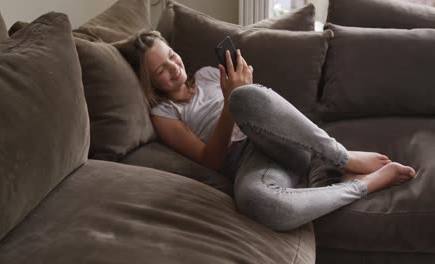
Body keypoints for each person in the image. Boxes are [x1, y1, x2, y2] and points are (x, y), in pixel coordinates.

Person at [117, 30, 416, 231]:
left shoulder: (209, 74)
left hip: (279, 138)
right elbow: (209, 160)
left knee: (246, 97)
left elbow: (258, 105)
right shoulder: (164, 113)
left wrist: (241, 93)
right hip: (249, 162)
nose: (173, 67)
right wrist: (228, 106)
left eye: (170, 55)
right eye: (160, 70)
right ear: (150, 82)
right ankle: (364, 184)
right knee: (254, 202)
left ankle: (341, 157)